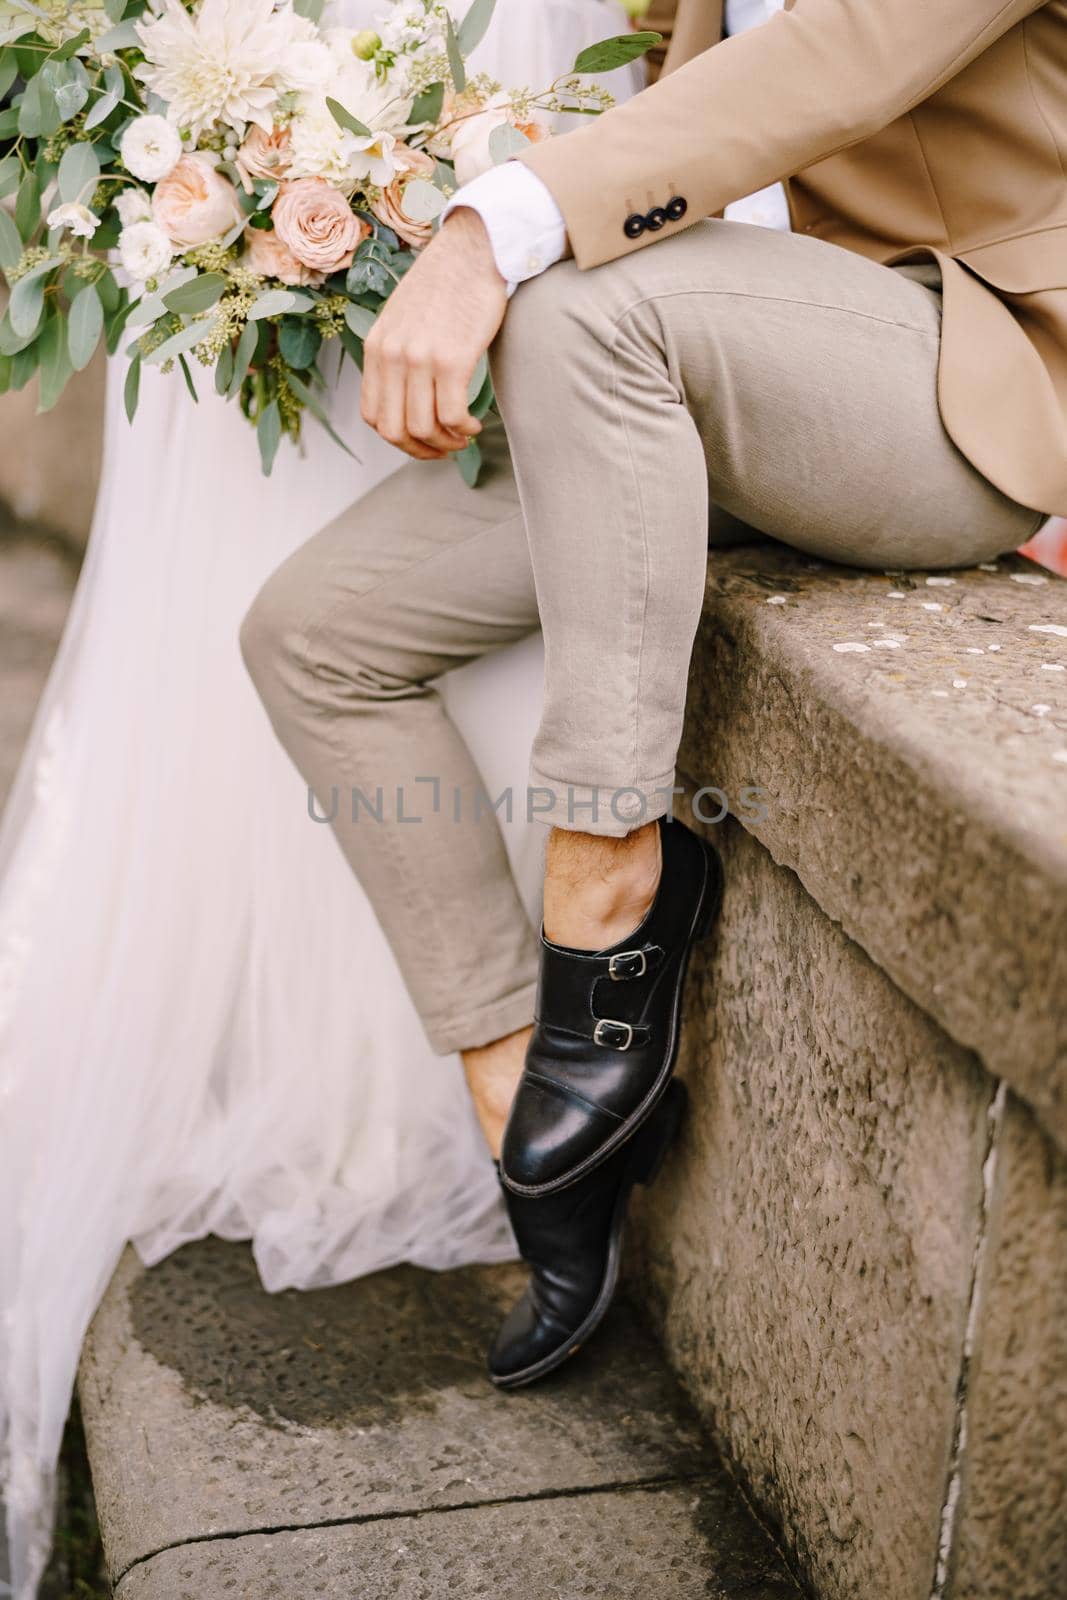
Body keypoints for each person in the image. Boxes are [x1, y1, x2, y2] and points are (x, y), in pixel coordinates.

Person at [242, 0, 1063, 1391]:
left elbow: (839, 59)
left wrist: (481, 234)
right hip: (713, 373)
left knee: (579, 304)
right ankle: (523, 1089)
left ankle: (612, 880)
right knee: (315, 636)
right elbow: (688, 114)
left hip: (961, 370)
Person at [0, 7, 646, 1597]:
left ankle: (524, 1073)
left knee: (466, 499)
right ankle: (494, 1075)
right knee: (286, 563)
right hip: (275, 68)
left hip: (551, 133)